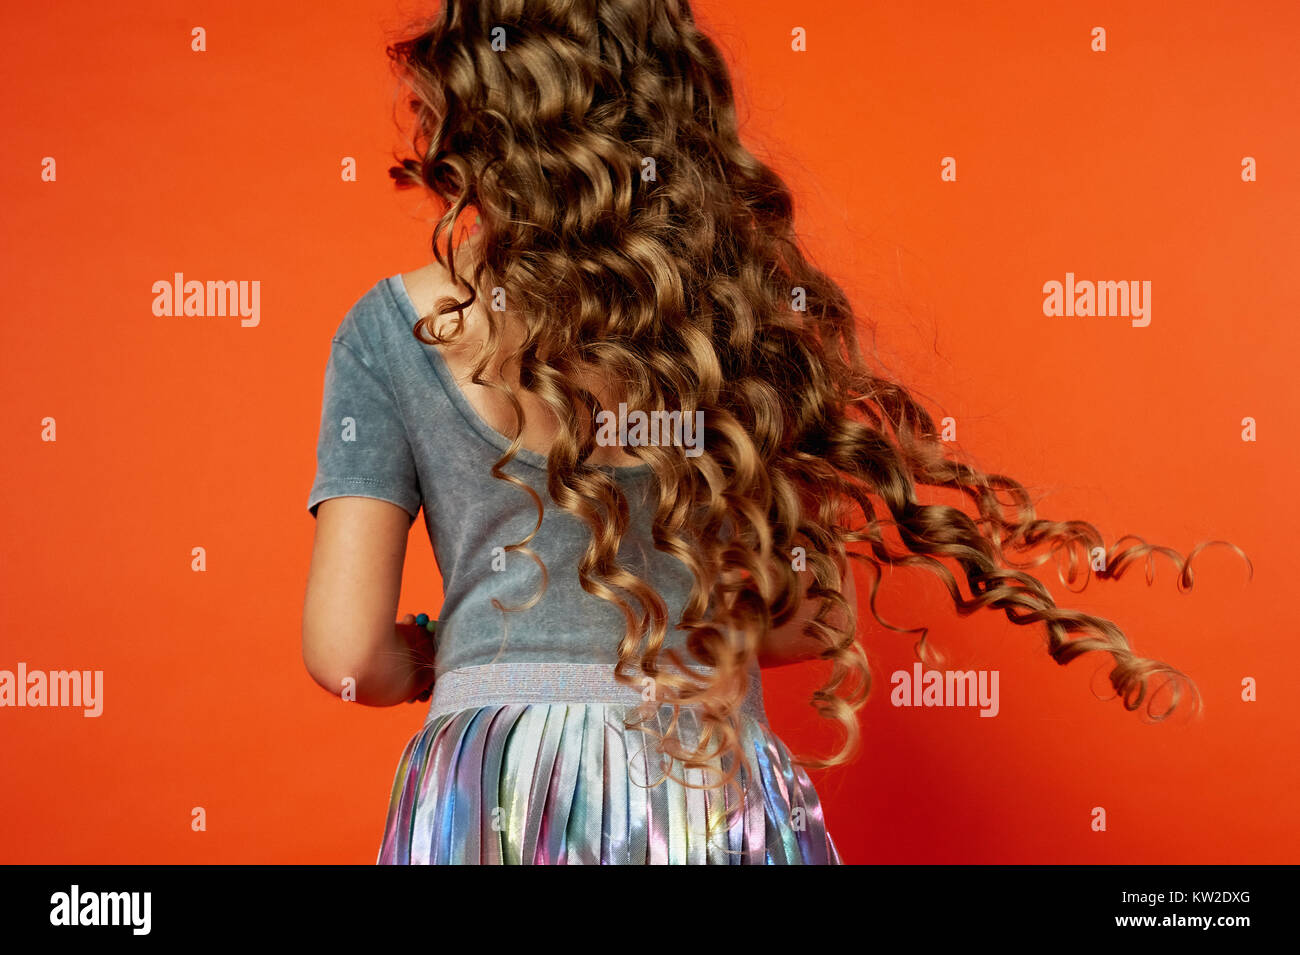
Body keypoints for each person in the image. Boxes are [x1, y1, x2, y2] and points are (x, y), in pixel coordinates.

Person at [302, 0, 1229, 865]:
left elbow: (346, 654)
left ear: (473, 97)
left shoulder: (394, 328)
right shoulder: (736, 316)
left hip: (489, 791)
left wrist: (435, 652)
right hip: (699, 779)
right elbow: (810, 617)